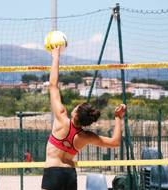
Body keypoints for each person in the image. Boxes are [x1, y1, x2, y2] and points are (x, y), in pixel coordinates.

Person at [41, 46, 126, 190]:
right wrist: (118, 118)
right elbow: (116, 142)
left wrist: (56, 57)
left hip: (53, 171)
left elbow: (53, 85)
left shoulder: (62, 118)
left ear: (75, 113)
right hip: (69, 173)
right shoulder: (86, 136)